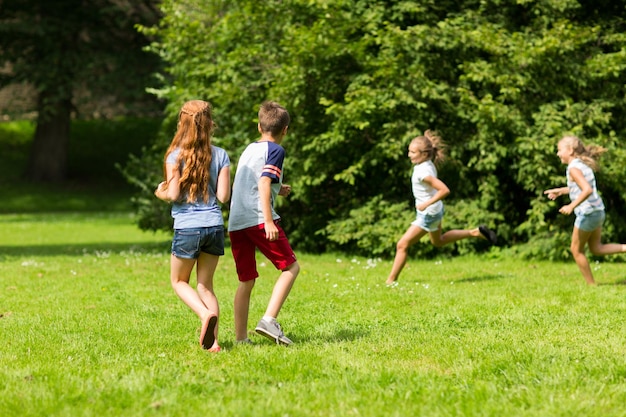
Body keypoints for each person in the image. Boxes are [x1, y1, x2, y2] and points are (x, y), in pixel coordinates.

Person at [154, 100, 231, 352]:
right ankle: (214, 344)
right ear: (209, 124)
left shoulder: (175, 156)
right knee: (206, 285)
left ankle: (203, 314)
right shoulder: (221, 155)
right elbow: (223, 197)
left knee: (178, 281)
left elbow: (174, 194)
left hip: (188, 227)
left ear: (182, 123)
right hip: (214, 226)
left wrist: (160, 192)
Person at [228, 101, 299, 346]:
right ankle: (269, 320)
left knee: (246, 279)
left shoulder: (249, 149)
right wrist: (268, 220)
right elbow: (263, 183)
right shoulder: (276, 150)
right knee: (291, 268)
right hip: (259, 218)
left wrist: (279, 190)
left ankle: (240, 339)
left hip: (237, 221)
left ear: (259, 126)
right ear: (285, 130)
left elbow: (249, 182)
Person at [385, 130, 497, 285]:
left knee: (402, 245)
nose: (409, 155)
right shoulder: (425, 163)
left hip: (428, 213)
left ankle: (390, 281)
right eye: (409, 151)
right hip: (435, 210)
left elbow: (444, 190)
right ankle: (475, 232)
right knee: (438, 241)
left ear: (424, 154)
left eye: (412, 152)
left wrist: (425, 204)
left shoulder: (424, 171)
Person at [544, 135, 626, 285]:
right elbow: (578, 188)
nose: (557, 153)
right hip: (597, 211)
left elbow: (586, 190)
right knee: (596, 248)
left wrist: (571, 206)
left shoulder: (573, 168)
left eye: (559, 150)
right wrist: (560, 191)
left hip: (588, 214)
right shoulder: (581, 164)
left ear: (570, 150)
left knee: (576, 250)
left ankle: (591, 286)